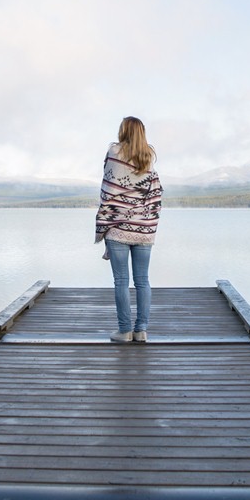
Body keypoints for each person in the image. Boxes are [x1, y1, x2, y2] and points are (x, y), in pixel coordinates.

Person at [94, 116, 163, 343]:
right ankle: (141, 330)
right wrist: (147, 221)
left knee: (121, 281)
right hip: (144, 229)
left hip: (118, 229)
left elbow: (107, 191)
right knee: (142, 280)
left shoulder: (114, 153)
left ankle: (124, 331)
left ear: (123, 130)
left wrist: (104, 224)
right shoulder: (148, 158)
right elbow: (156, 195)